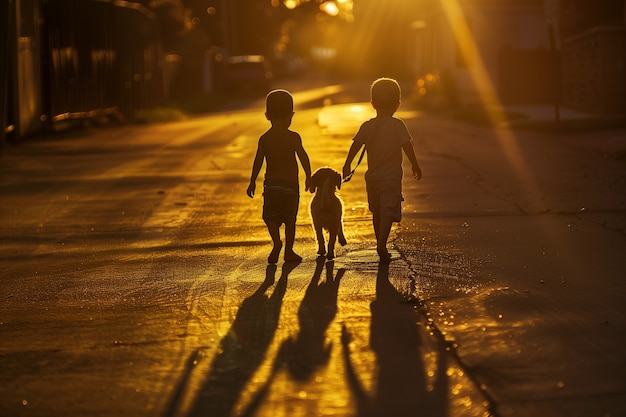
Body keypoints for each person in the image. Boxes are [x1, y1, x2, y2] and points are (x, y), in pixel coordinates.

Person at [342, 78, 422, 263]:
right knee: (388, 209)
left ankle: (380, 242)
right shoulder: (397, 125)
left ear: (373, 104)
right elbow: (407, 146)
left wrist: (347, 164)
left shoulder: (367, 126)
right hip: (391, 177)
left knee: (377, 211)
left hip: (372, 178)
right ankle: (381, 244)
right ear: (397, 104)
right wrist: (414, 164)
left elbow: (356, 145)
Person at [247, 89, 312, 264]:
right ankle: (289, 251)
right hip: (291, 186)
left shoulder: (264, 139)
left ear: (267, 116)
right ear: (291, 115)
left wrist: (252, 181)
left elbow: (258, 161)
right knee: (290, 220)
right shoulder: (293, 137)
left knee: (271, 217)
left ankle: (277, 243)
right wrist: (309, 175)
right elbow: (303, 156)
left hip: (272, 186)